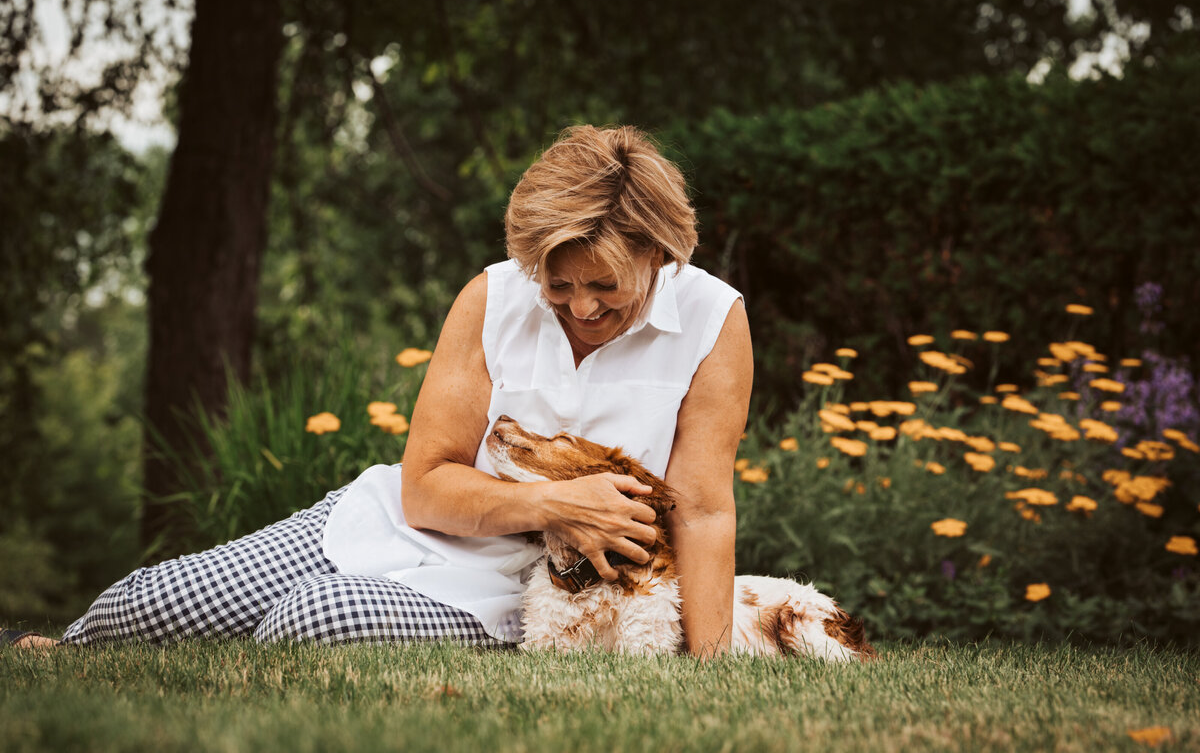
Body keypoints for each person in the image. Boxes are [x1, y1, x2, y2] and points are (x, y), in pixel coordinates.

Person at [2, 125, 752, 657]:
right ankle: (57, 656)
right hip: (392, 522)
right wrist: (554, 501)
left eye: (605, 288)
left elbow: (707, 507)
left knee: (309, 622)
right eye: (559, 286)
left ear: (657, 252)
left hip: (516, 584)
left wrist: (709, 666)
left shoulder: (713, 319)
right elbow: (425, 488)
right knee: (151, 603)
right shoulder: (493, 297)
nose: (582, 308)